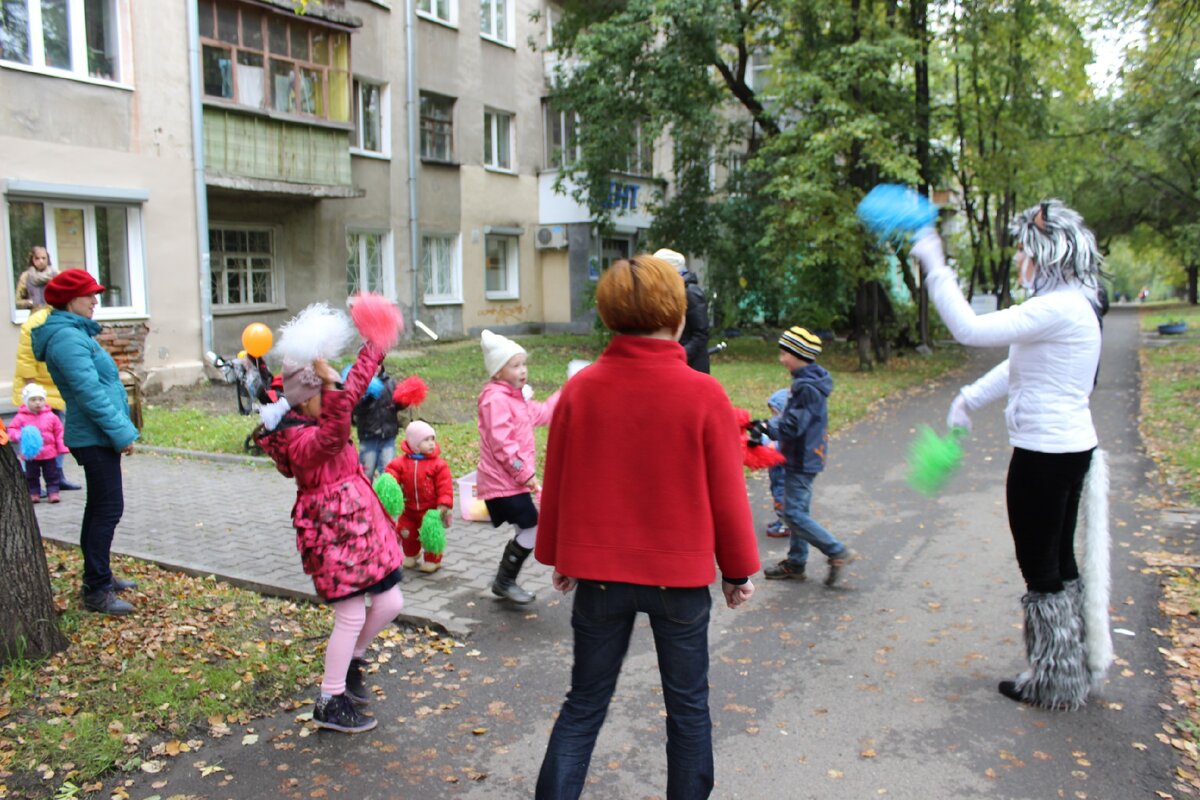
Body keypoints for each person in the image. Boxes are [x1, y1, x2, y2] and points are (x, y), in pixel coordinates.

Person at [533, 254, 758, 800]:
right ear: (678, 317)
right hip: (679, 581)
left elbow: (560, 477)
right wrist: (737, 571)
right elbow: (727, 494)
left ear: (609, 317)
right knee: (688, 711)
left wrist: (562, 556)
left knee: (583, 705)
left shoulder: (583, 388)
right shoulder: (703, 393)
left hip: (600, 578)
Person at [910, 198, 1112, 710]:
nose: (1018, 259)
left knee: (1040, 565)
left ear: (1045, 253)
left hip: (1044, 455)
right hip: (1069, 448)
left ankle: (1053, 681)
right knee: (1061, 562)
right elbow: (1021, 365)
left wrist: (935, 264)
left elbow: (970, 330)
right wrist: (969, 398)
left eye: (1023, 249)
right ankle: (1070, 668)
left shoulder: (1057, 305)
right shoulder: (1075, 302)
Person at [254, 325, 404, 734]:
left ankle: (351, 660)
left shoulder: (321, 411)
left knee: (390, 603)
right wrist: (332, 384)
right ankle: (330, 698)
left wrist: (376, 343)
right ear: (308, 398)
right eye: (327, 389)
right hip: (333, 534)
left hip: (362, 527)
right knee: (352, 613)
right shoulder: (297, 437)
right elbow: (335, 433)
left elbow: (350, 390)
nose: (337, 397)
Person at [31, 269, 140, 616]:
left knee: (100, 508)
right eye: (89, 295)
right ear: (68, 300)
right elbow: (90, 394)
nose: (96, 301)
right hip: (94, 436)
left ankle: (101, 576)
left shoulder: (74, 333)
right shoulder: (66, 339)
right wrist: (121, 434)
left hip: (96, 435)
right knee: (108, 509)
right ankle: (96, 589)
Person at [758, 327, 856, 586]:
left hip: (802, 458)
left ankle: (837, 552)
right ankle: (796, 562)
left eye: (784, 354)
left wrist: (767, 427)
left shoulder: (806, 387)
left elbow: (792, 426)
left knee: (793, 515)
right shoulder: (808, 381)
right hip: (806, 455)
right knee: (798, 510)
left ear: (799, 354)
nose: (781, 359)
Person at [476, 329, 561, 604]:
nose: (522, 370)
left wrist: (568, 392)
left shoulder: (515, 398)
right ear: (498, 370)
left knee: (526, 530)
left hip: (512, 482)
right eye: (515, 365)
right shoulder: (495, 400)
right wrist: (526, 475)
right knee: (533, 528)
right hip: (502, 483)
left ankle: (504, 581)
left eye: (524, 364)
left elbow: (543, 413)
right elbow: (502, 444)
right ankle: (504, 581)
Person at [13, 261, 83, 492]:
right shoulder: (36, 322)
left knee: (55, 435)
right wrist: (33, 393)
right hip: (39, 391)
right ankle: (31, 481)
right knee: (34, 437)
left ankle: (57, 476)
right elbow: (26, 357)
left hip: (54, 389)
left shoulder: (60, 320)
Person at [384, 420, 454, 574]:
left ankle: (432, 559)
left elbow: (445, 486)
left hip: (429, 510)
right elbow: (392, 472)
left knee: (431, 534)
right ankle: (411, 554)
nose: (431, 444)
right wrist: (388, 481)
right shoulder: (402, 462)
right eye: (426, 440)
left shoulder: (438, 465)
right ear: (414, 444)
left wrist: (444, 503)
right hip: (408, 509)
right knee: (406, 532)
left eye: (432, 439)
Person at [653, 248, 710, 373]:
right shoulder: (670, 291)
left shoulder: (691, 293)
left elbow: (701, 334)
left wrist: (680, 354)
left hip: (692, 365)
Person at [9, 383, 68, 503]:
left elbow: (59, 432)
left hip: (49, 453)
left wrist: (61, 447)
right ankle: (34, 492)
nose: (37, 403)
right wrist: (19, 436)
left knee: (52, 474)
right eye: (33, 400)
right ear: (26, 402)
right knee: (31, 475)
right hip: (31, 455)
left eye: (40, 399)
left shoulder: (51, 416)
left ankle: (53, 492)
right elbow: (12, 429)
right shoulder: (20, 417)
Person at [348, 361, 400, 481]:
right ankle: (365, 498)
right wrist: (368, 399)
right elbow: (354, 409)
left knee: (389, 474)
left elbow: (396, 406)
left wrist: (402, 402)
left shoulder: (390, 383)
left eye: (378, 363)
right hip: (368, 436)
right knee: (366, 473)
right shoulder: (359, 384)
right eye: (371, 363)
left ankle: (384, 499)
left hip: (388, 436)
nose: (375, 367)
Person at [763, 388, 791, 538]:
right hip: (776, 471)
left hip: (783, 473)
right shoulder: (778, 426)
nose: (773, 417)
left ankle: (786, 525)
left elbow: (779, 447)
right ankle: (781, 520)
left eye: (776, 413)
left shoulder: (789, 430)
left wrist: (764, 441)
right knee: (776, 494)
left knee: (781, 496)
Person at [15, 245, 57, 310]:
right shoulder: (26, 276)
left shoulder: (56, 275)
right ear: (32, 259)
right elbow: (18, 301)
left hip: (53, 314)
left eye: (43, 258)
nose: (41, 261)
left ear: (47, 259)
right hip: (35, 315)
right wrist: (28, 303)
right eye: (37, 258)